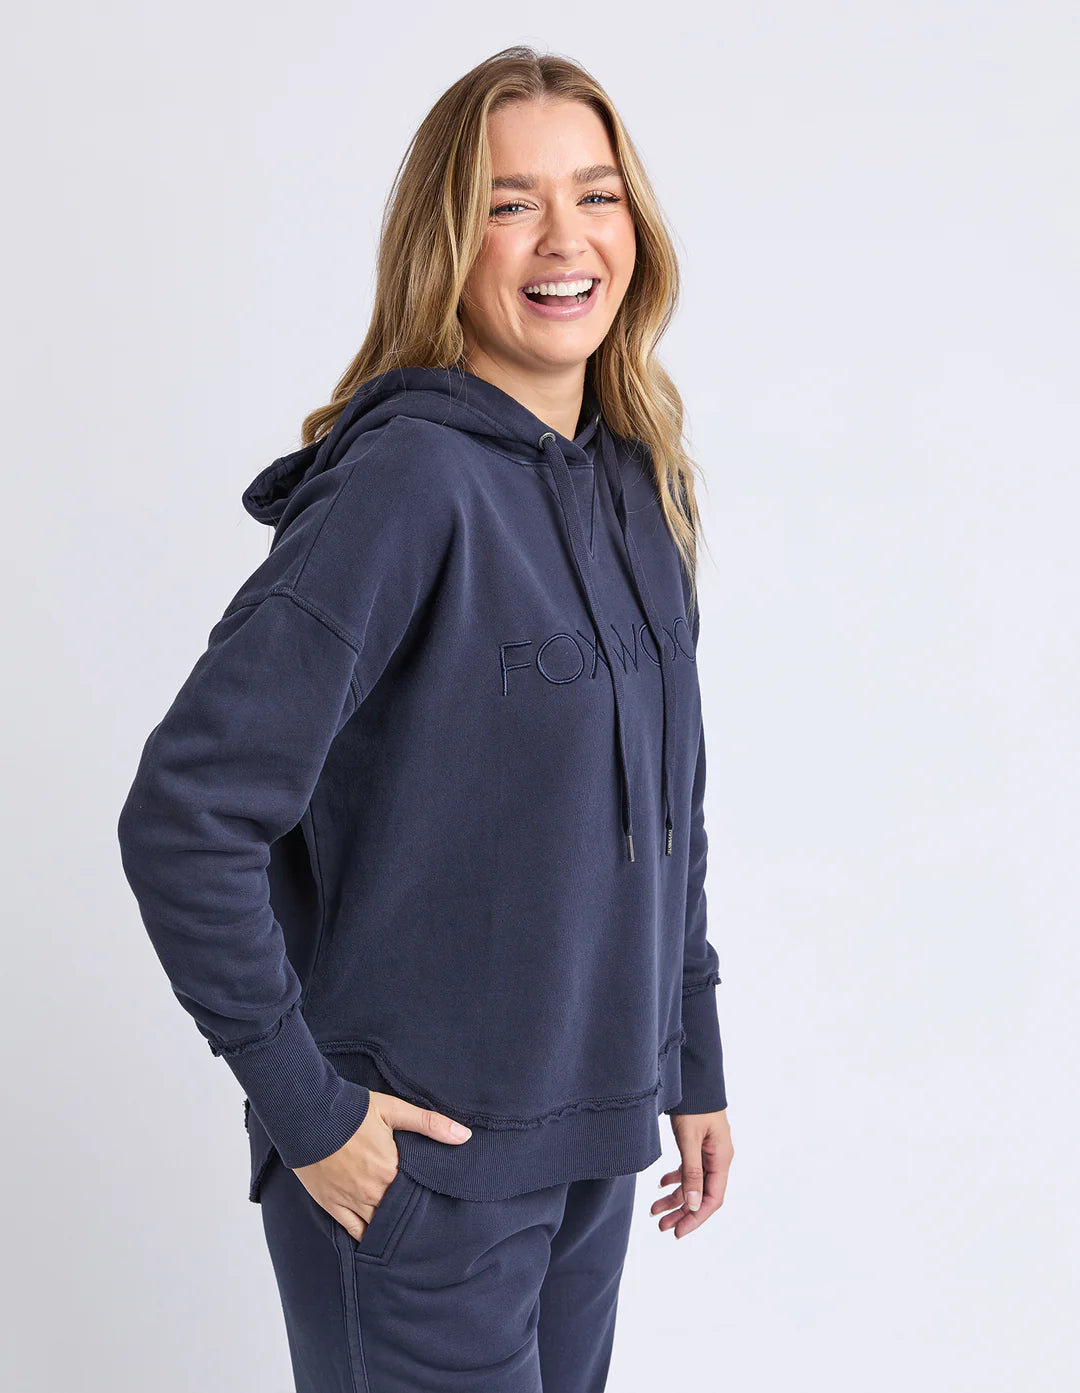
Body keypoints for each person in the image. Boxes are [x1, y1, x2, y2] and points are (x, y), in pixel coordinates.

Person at [117, 44, 735, 1393]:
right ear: (447, 243)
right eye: (513, 203)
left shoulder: (639, 486)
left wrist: (690, 1058)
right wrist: (307, 1107)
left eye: (597, 194)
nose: (565, 239)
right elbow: (185, 816)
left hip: (590, 1150)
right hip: (418, 1177)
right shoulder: (404, 487)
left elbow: (668, 805)